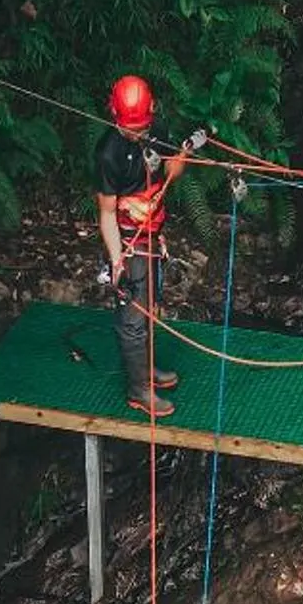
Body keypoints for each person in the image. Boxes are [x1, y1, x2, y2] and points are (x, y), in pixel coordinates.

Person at [93, 75, 210, 419]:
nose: (137, 133)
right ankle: (138, 389)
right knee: (133, 315)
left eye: (141, 125)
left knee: (151, 305)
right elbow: (106, 212)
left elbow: (174, 165)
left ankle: (147, 370)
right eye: (131, 127)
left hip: (152, 230)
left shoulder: (156, 130)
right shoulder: (108, 153)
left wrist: (181, 160)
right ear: (114, 116)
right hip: (128, 239)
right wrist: (116, 259)